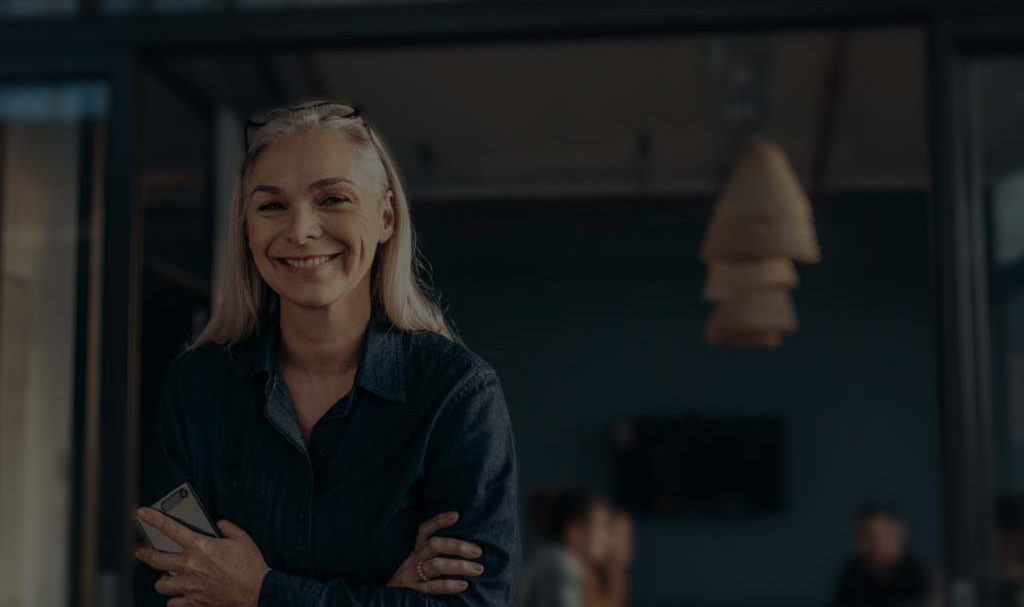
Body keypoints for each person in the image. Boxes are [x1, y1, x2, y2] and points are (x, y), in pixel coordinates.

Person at [131, 98, 520, 607]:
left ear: (385, 217)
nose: (300, 231)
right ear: (247, 229)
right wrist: (385, 597)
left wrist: (256, 591)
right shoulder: (195, 388)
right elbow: (172, 594)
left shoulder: (456, 394)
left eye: (332, 199)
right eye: (271, 205)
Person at [831, 503, 936, 607]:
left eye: (871, 537)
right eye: (859, 536)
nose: (862, 546)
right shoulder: (854, 573)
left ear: (895, 536)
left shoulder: (923, 576)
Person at [520, 489, 611, 607]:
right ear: (574, 531)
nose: (607, 538)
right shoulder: (563, 567)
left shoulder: (551, 559)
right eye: (602, 527)